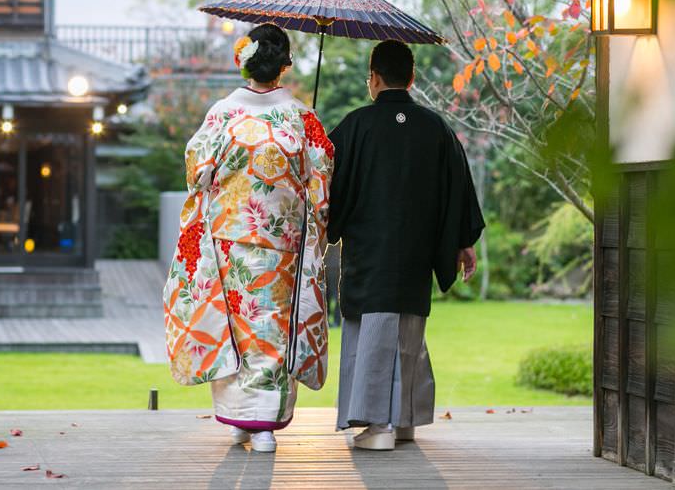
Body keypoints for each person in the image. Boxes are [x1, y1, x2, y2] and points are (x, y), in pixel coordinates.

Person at [163, 23, 334, 453]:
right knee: (271, 327)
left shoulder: (223, 113)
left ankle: (244, 420)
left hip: (230, 237)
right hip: (282, 240)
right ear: (284, 65)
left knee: (236, 327)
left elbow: (198, 172)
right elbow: (322, 178)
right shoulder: (301, 117)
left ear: (244, 62)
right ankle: (259, 424)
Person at [328, 39, 485, 451]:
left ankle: (377, 425)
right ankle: (404, 421)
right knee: (407, 332)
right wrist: (463, 242)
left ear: (374, 78)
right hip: (415, 255)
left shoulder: (355, 126)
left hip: (370, 255)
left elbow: (327, 184)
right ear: (411, 78)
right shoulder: (436, 127)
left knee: (372, 333)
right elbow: (458, 189)